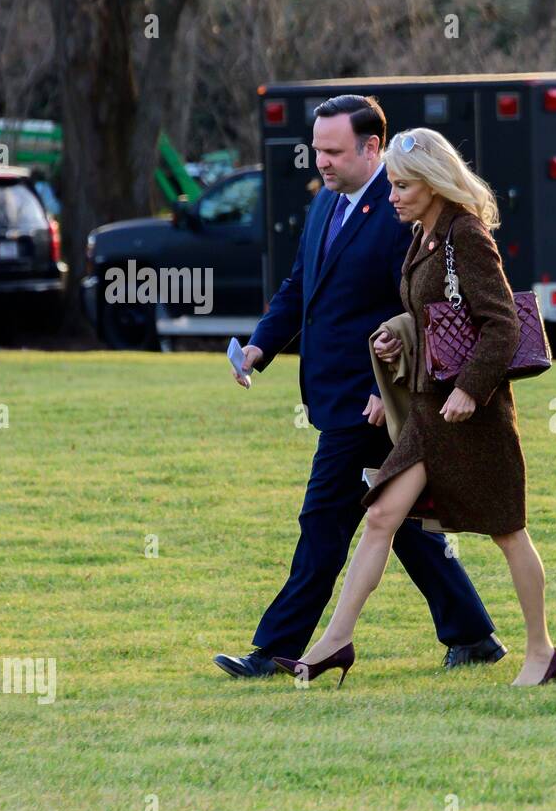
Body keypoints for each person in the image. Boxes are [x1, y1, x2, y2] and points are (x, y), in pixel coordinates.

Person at [212, 96, 505, 681]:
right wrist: (259, 347)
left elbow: (423, 309)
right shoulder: (325, 203)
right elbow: (302, 287)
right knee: (398, 523)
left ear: (372, 147)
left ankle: (275, 651)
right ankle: (472, 635)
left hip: (371, 402)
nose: (319, 160)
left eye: (332, 150)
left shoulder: (403, 211)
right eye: (317, 149)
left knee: (323, 520)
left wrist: (390, 388)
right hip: (338, 394)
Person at [272, 127, 556, 688]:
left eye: (404, 185)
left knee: (508, 532)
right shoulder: (423, 235)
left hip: (474, 418)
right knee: (380, 515)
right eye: (394, 185)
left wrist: (470, 390)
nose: (394, 195)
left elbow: (501, 324)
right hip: (428, 414)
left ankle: (541, 651)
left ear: (432, 183)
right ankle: (335, 643)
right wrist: (395, 342)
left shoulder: (467, 236)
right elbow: (432, 317)